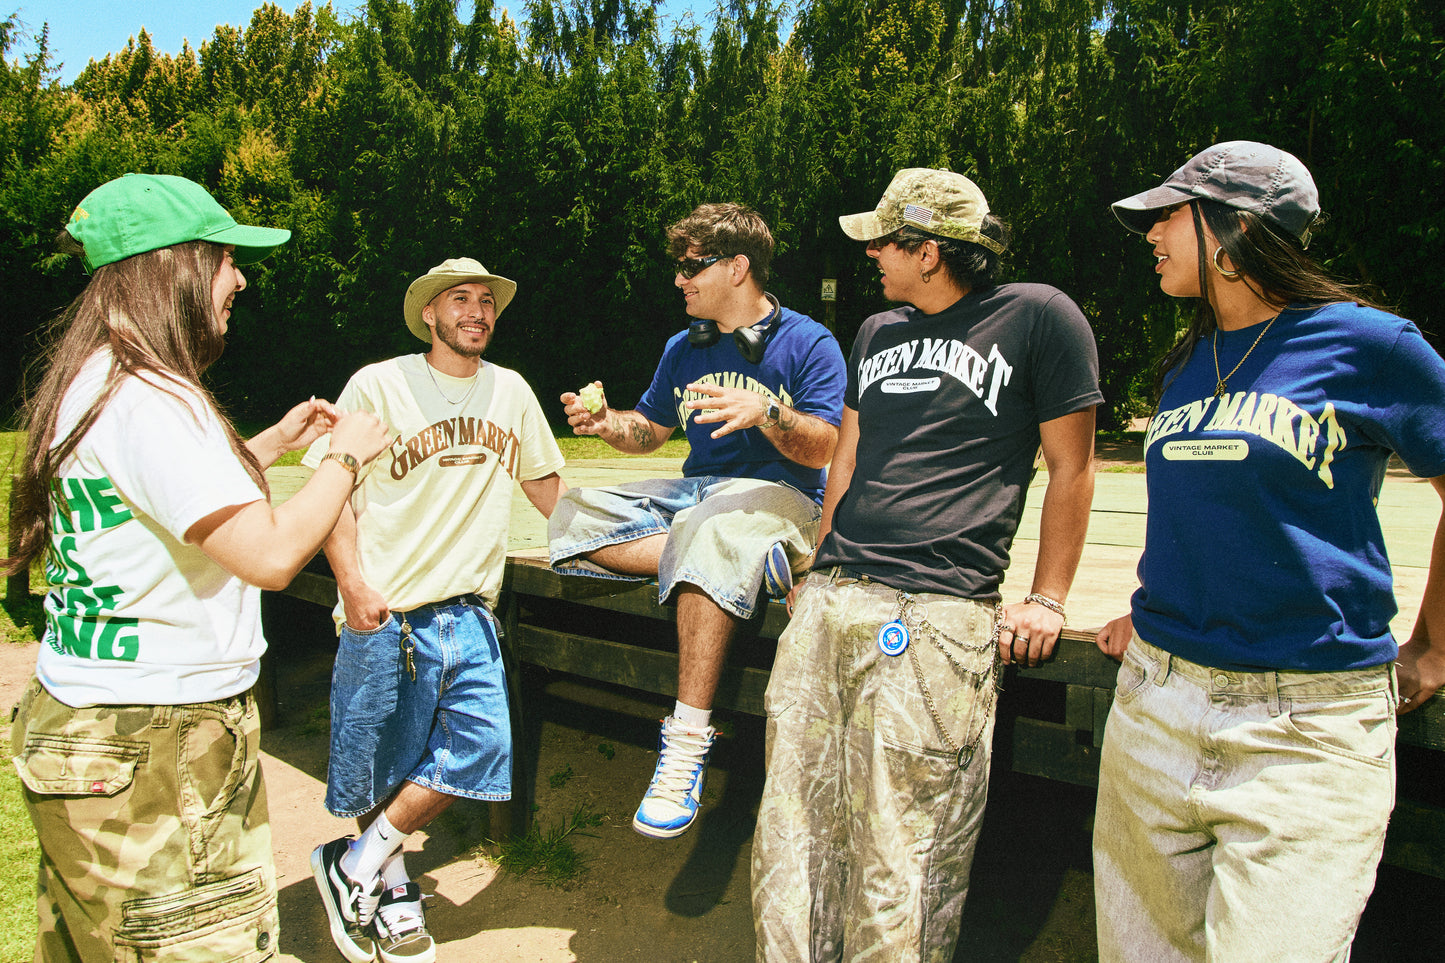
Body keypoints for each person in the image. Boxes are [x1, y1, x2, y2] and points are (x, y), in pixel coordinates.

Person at [4, 173, 392, 962]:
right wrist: (344, 457)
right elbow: (271, 553)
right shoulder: (156, 397)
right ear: (172, 266)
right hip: (158, 741)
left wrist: (274, 441)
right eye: (225, 258)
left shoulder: (96, 379)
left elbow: (163, 500)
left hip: (86, 724)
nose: (238, 279)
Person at [1092, 141, 1445, 961]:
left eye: (1168, 215)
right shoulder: (1190, 357)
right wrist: (1158, 607)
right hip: (1155, 710)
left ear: (1235, 227)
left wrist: (1432, 643)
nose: (1151, 234)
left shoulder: (1371, 343)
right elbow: (1210, 504)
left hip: (1305, 731)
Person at [750, 168, 1102, 960]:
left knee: (901, 849)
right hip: (834, 599)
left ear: (928, 250)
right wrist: (818, 565)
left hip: (935, 612)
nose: (871, 254)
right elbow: (847, 456)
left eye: (883, 241)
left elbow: (1072, 468)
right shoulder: (877, 330)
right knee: (791, 830)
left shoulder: (1038, 316)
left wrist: (1047, 597)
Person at [548, 202, 847, 839]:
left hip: (782, 495)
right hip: (697, 498)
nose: (679, 279)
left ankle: (685, 743)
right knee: (572, 513)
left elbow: (827, 447)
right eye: (679, 268)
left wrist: (769, 413)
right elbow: (650, 431)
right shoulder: (683, 347)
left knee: (708, 527)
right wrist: (607, 425)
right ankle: (748, 562)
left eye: (692, 266)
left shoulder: (809, 342)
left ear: (737, 267)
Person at [303, 257, 566, 963]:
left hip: (470, 609)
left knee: (483, 748)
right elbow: (333, 493)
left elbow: (548, 490)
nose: (476, 311)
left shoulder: (510, 390)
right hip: (386, 609)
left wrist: (626, 540)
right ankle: (392, 890)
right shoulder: (378, 384)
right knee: (381, 766)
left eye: (486, 301)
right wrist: (352, 586)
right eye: (460, 299)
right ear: (429, 313)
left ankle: (354, 864)